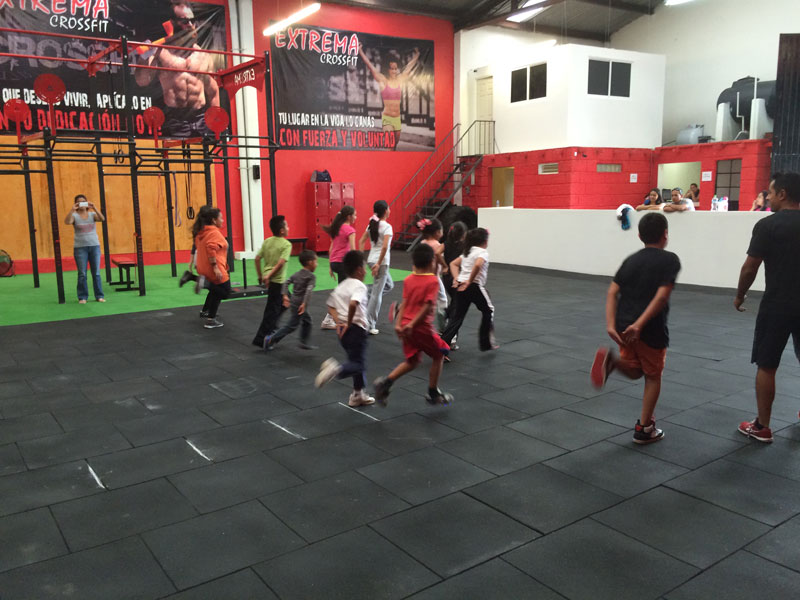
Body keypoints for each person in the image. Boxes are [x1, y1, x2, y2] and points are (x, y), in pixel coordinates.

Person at [590, 212, 681, 444]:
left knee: (634, 369)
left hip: (623, 325)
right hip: (649, 329)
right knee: (653, 376)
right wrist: (640, 325)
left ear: (639, 236)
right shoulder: (670, 260)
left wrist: (611, 324)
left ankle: (612, 362)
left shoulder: (630, 260)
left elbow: (612, 292)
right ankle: (645, 428)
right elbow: (662, 297)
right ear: (665, 234)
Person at [734, 172, 800, 443]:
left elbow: (750, 267)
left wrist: (740, 295)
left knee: (767, 364)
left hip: (777, 305)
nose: (768, 198)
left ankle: (762, 426)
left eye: (771, 193)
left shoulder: (767, 225)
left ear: (783, 194)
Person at [373, 243, 453, 406]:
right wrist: (413, 324)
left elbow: (404, 303)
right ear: (432, 261)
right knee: (440, 353)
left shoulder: (409, 279)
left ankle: (385, 384)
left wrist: (399, 324)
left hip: (405, 325)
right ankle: (432, 393)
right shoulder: (432, 281)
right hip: (420, 327)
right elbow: (427, 306)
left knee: (413, 361)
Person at [135, 0, 220, 137]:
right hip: (176, 120)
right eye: (185, 21)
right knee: (176, 151)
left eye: (192, 20)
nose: (191, 25)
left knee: (206, 152)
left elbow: (213, 91)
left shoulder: (203, 55)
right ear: (173, 23)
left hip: (201, 118)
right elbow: (142, 81)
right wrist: (144, 57)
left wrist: (216, 125)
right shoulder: (161, 52)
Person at [315, 250, 375, 408]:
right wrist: (348, 322)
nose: (366, 271)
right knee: (359, 364)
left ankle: (357, 395)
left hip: (342, 333)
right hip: (356, 330)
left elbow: (330, 306)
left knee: (355, 360)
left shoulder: (341, 286)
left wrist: (339, 322)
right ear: (359, 270)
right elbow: (354, 303)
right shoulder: (359, 286)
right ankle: (336, 370)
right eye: (364, 268)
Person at [441, 227, 497, 352]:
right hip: (474, 286)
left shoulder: (468, 252)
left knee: (457, 318)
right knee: (489, 310)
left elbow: (453, 264)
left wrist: (456, 278)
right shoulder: (483, 252)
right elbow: (478, 264)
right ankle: (486, 343)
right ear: (485, 241)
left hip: (461, 286)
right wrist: (470, 281)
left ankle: (442, 345)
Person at [358, 44, 420, 149]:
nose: (394, 71)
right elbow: (370, 66)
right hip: (387, 118)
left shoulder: (400, 79)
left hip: (397, 119)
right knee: (390, 144)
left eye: (396, 69)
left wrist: (417, 55)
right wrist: (360, 51)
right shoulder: (383, 81)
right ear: (387, 69)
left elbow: (409, 67)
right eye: (392, 69)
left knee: (394, 146)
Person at [265, 249, 318, 351]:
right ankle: (270, 339)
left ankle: (303, 342)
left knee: (307, 321)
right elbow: (308, 291)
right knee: (291, 325)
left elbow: (286, 283)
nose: (317, 264)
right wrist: (304, 303)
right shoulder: (311, 277)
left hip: (294, 301)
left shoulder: (297, 274)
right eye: (316, 262)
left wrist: (285, 295)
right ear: (310, 262)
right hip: (300, 304)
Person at [252, 215, 291, 348]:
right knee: (272, 311)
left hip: (273, 280)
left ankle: (272, 327)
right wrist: (269, 276)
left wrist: (260, 276)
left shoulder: (267, 241)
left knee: (285, 303)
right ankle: (262, 339)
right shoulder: (286, 244)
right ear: (282, 230)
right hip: (278, 282)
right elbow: (281, 263)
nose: (288, 228)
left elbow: (257, 259)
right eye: (286, 226)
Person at [358, 200, 393, 335]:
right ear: (385, 211)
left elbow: (361, 241)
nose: (389, 210)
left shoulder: (372, 225)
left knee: (389, 285)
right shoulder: (387, 227)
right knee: (377, 294)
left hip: (372, 260)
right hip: (381, 263)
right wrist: (378, 263)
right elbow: (384, 247)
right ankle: (368, 323)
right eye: (388, 208)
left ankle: (365, 295)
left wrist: (362, 261)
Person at [64, 194, 106, 304]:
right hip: (80, 248)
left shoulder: (92, 214)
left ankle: (99, 296)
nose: (81, 204)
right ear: (76, 204)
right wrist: (72, 209)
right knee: (82, 273)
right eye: (79, 202)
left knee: (96, 273)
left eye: (83, 201)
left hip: (94, 246)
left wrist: (94, 207)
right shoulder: (74, 216)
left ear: (87, 202)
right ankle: (82, 297)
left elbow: (102, 219)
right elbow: (67, 222)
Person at [193, 205, 230, 329]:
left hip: (205, 268)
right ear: (214, 220)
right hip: (215, 268)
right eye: (221, 218)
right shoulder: (214, 232)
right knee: (225, 292)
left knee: (215, 292)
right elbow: (210, 248)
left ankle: (210, 318)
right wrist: (215, 267)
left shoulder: (202, 232)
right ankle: (204, 283)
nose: (222, 220)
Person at [321, 206, 357, 329]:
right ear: (349, 216)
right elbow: (353, 250)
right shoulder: (350, 230)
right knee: (344, 293)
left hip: (335, 263)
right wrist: (356, 266)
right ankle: (330, 319)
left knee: (344, 291)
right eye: (355, 215)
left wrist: (331, 266)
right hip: (343, 264)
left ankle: (337, 318)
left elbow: (331, 248)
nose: (356, 217)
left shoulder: (337, 228)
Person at [418, 218, 448, 332]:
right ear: (437, 232)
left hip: (421, 276)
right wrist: (445, 266)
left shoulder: (422, 243)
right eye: (441, 231)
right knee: (442, 300)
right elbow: (439, 259)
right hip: (433, 277)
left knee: (422, 300)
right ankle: (443, 328)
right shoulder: (437, 245)